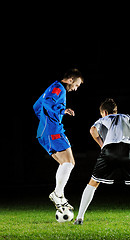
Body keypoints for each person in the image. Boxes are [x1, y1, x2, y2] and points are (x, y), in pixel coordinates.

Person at [74, 98, 130, 225]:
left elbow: (92, 131)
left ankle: (79, 218)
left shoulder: (102, 119)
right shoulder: (127, 117)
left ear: (105, 112)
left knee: (93, 183)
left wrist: (102, 145)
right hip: (128, 149)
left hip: (108, 150)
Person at [33, 68, 84, 212]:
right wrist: (62, 111)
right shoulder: (58, 88)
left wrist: (44, 121)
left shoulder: (54, 86)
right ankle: (57, 194)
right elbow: (48, 102)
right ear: (70, 80)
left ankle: (60, 196)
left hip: (48, 131)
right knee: (68, 163)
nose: (75, 88)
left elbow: (36, 106)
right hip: (52, 131)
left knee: (67, 163)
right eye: (76, 85)